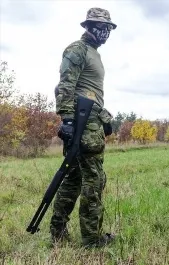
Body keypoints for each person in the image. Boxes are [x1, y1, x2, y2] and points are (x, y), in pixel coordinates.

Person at [50, 7, 116, 248]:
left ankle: (57, 231)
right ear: (88, 26)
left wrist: (104, 118)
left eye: (107, 27)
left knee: (73, 179)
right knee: (94, 179)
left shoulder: (94, 53)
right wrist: (67, 120)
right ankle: (92, 239)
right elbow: (65, 86)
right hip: (82, 125)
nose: (105, 32)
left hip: (91, 120)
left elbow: (90, 92)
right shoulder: (77, 49)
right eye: (100, 26)